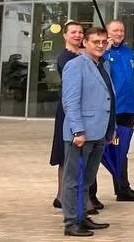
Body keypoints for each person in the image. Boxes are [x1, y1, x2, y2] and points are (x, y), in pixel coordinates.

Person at [59, 27, 115, 238]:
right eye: (95, 42)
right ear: (85, 43)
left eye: (103, 41)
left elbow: (109, 99)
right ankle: (71, 222)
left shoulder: (102, 66)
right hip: (81, 135)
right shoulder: (75, 66)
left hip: (99, 132)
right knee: (73, 180)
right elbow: (70, 102)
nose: (100, 45)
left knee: (87, 180)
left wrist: (111, 128)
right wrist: (78, 131)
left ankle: (82, 217)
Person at [102, 20, 134, 202]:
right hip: (110, 110)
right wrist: (105, 50)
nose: (119, 33)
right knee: (101, 151)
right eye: (114, 30)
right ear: (107, 32)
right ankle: (90, 194)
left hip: (128, 108)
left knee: (121, 151)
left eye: (121, 30)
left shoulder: (130, 52)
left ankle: (122, 189)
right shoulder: (103, 53)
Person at [51, 22, 89, 211]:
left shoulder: (80, 56)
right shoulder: (66, 58)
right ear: (65, 35)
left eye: (80, 32)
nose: (77, 35)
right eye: (73, 32)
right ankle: (64, 196)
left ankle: (62, 196)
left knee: (72, 156)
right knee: (65, 155)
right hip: (68, 110)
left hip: (80, 109)